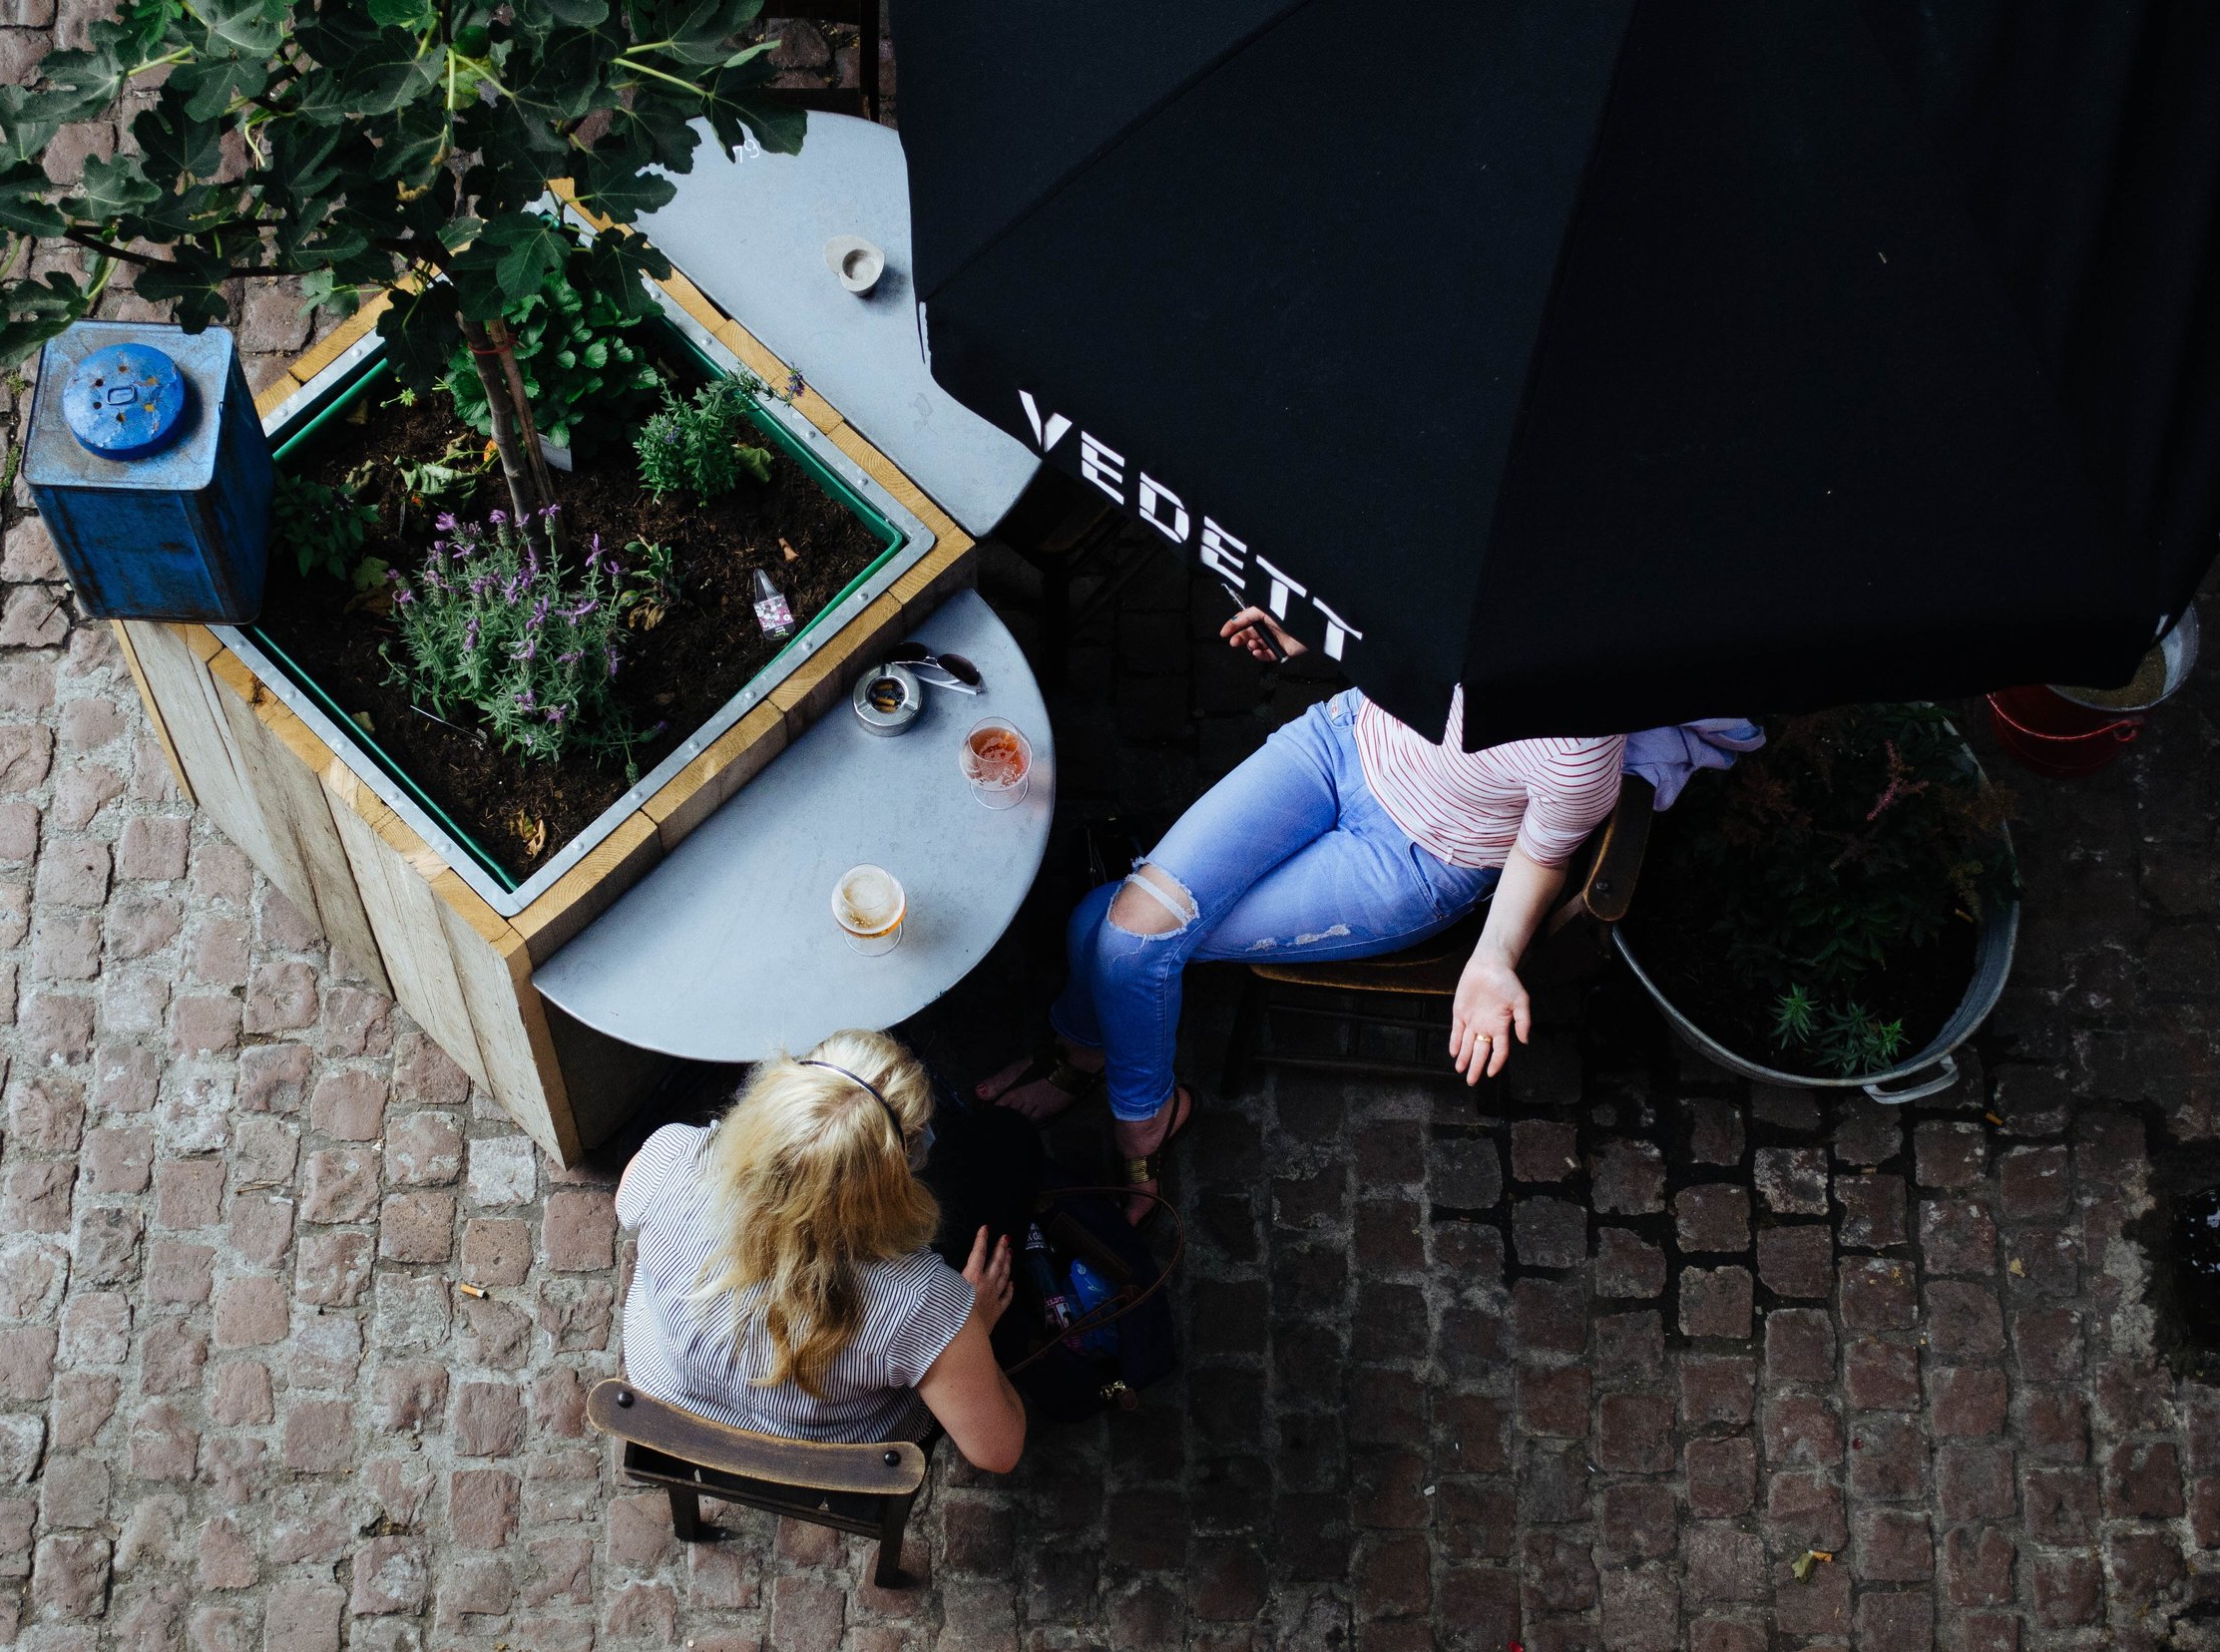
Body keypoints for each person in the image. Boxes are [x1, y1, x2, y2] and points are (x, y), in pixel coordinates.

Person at [981, 607, 1626, 1216]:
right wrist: (1319, 629)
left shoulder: (1582, 750)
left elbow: (1542, 858)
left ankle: (1138, 1115)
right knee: (1102, 927)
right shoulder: (1467, 590)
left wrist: (1494, 954)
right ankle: (1100, 1062)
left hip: (1415, 859)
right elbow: (1389, 631)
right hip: (1340, 742)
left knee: (1112, 933)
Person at [616, 1029, 1030, 1471]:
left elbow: (626, 1207)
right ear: (896, 1167)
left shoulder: (673, 1158)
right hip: (827, 1458)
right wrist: (971, 1329)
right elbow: (998, 1452)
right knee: (1007, 1140)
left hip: (668, 1400)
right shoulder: (923, 1302)